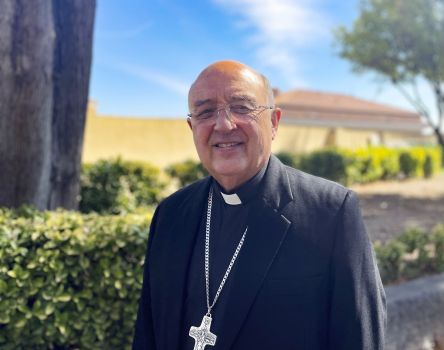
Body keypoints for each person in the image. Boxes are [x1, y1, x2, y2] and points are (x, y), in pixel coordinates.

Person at [133, 60, 386, 350]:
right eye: (205, 112)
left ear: (274, 122)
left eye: (242, 107)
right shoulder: (171, 214)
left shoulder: (331, 213)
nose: (224, 124)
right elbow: (148, 331)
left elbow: (359, 340)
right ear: (192, 127)